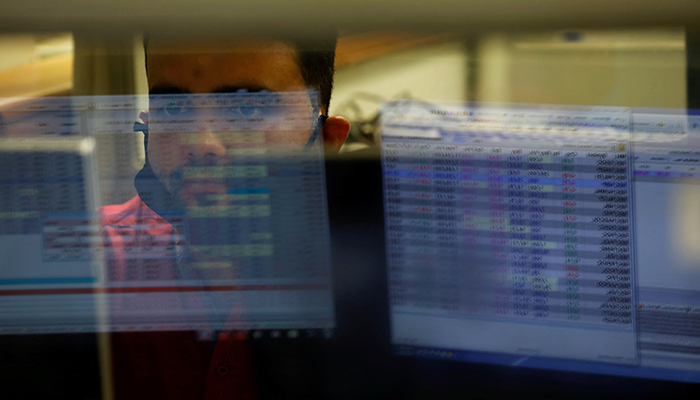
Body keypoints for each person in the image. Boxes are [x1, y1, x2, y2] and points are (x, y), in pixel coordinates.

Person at [100, 35, 350, 399]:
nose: (202, 143)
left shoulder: (374, 282)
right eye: (173, 108)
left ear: (327, 140)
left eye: (248, 110)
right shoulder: (90, 259)